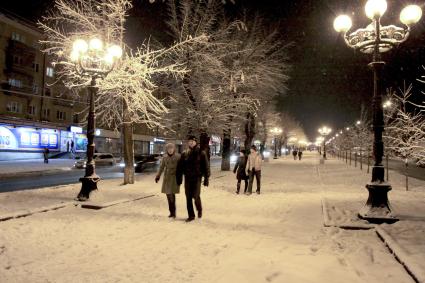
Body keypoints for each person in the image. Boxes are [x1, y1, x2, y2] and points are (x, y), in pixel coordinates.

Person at [176, 135, 210, 222]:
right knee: (188, 197)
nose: (191, 142)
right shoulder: (184, 153)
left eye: (192, 141)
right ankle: (191, 215)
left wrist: (206, 178)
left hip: (197, 178)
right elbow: (180, 167)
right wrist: (179, 178)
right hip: (187, 178)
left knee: (196, 195)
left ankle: (199, 209)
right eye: (189, 141)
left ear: (195, 142)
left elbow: (206, 167)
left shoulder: (201, 153)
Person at [155, 143, 181, 218]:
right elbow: (161, 167)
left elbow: (182, 167)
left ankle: (173, 212)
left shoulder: (178, 157)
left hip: (174, 178)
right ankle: (171, 212)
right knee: (168, 195)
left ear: (174, 149)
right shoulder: (165, 157)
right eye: (169, 149)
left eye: (171, 148)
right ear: (167, 150)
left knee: (172, 195)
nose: (170, 150)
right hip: (167, 178)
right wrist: (158, 176)